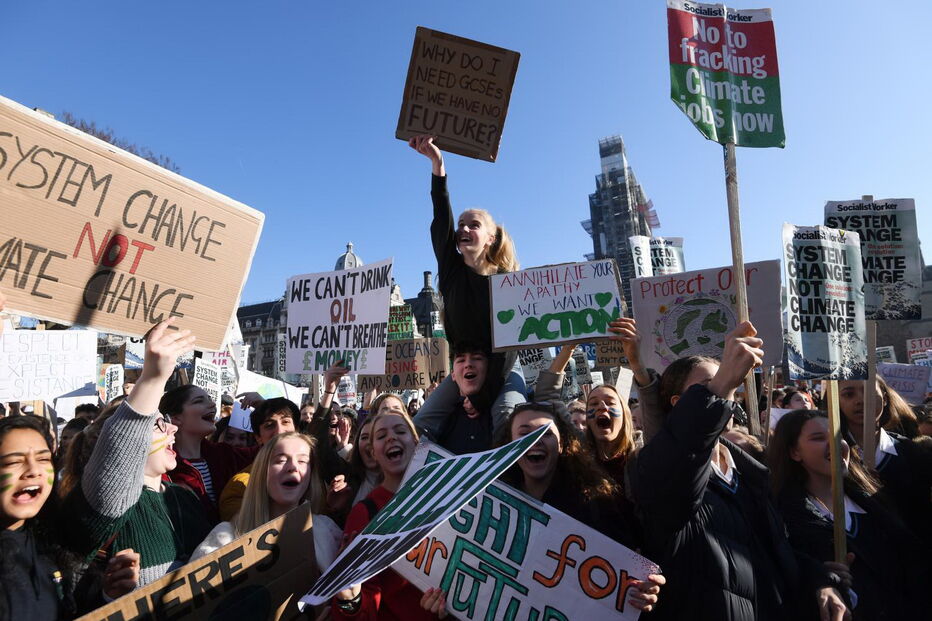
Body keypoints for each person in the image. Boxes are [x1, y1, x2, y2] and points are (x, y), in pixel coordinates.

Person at [634, 322, 849, 620]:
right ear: (679, 404)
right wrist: (719, 385)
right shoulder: (657, 469)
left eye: (730, 385)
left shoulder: (753, 474)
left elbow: (772, 555)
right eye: (709, 386)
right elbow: (678, 459)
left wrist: (818, 579)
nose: (726, 391)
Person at [63, 319, 211, 588]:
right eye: (156, 423)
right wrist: (153, 378)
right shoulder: (109, 501)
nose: (171, 429)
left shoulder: (186, 496)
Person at [408, 134, 526, 441]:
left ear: (489, 238)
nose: (463, 229)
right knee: (419, 424)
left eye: (473, 224)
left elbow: (506, 351)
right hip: (464, 368)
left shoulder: (505, 283)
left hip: (502, 369)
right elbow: (441, 219)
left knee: (506, 417)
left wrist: (484, 395)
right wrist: (438, 165)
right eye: (461, 224)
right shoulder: (450, 271)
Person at [770, 409, 927, 619]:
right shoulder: (781, 516)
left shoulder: (875, 501)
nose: (835, 445)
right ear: (794, 452)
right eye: (818, 438)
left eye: (838, 437)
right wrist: (818, 578)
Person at [332, 409, 445, 620]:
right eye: (382, 436)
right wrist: (351, 599)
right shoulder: (364, 514)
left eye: (400, 431)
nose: (391, 437)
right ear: (373, 453)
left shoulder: (445, 497)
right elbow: (359, 600)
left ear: (416, 441)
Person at [190, 432, 341, 576]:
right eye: (281, 460)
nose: (293, 467)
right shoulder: (225, 538)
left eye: (302, 461)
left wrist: (349, 600)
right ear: (262, 473)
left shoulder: (326, 530)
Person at [837, 378, 932, 548]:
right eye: (849, 394)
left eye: (868, 392)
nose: (860, 400)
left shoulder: (911, 452)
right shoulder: (829, 456)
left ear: (885, 398)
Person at [162, 385, 259, 524]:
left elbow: (274, 451)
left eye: (210, 399)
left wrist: (265, 408)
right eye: (199, 401)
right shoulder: (161, 467)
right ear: (176, 418)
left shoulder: (225, 454)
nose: (213, 404)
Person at [217, 398, 301, 522]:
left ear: (297, 430)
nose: (279, 430)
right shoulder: (239, 486)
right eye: (269, 425)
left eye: (285, 422)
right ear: (258, 438)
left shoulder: (313, 475)